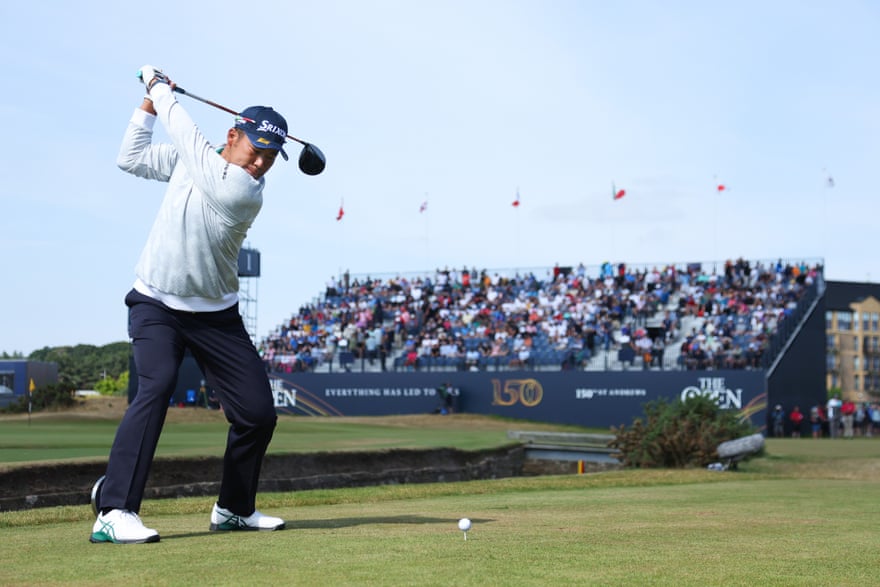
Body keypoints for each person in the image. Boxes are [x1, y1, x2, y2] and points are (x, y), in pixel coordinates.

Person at [90, 65, 287, 544]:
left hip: (216, 315)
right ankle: (114, 510)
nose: (261, 164)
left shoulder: (243, 190)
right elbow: (130, 157)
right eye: (257, 151)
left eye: (271, 158)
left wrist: (159, 90)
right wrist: (145, 105)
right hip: (156, 302)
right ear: (233, 135)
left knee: (258, 413)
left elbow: (187, 136)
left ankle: (234, 509)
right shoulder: (196, 160)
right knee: (154, 390)